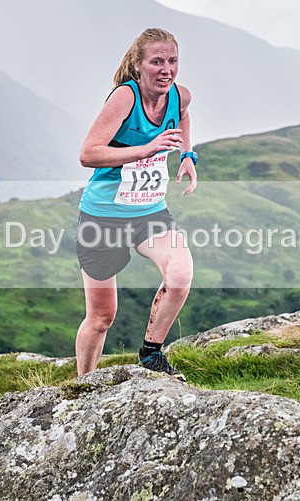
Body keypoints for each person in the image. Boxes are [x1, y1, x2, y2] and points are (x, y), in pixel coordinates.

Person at [75, 27, 197, 380]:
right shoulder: (124, 98)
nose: (166, 70)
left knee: (180, 273)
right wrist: (144, 150)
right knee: (102, 318)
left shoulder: (180, 96)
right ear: (138, 65)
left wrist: (187, 155)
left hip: (149, 212)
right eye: (156, 61)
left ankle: (151, 353)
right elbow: (88, 154)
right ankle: (83, 385)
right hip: (103, 217)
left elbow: (183, 115)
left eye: (172, 61)